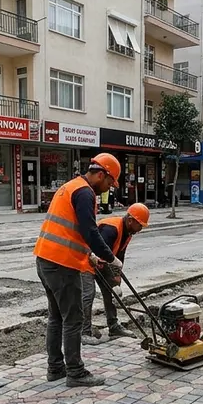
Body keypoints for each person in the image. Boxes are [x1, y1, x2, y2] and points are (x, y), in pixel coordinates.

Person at [34, 153, 122, 387]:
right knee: (73, 319)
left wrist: (90, 255)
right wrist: (110, 257)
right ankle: (75, 372)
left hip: (45, 259)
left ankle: (55, 368)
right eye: (109, 183)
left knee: (56, 317)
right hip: (61, 264)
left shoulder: (70, 186)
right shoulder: (85, 192)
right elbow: (90, 231)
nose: (109, 189)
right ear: (101, 174)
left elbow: (70, 230)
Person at [82, 203, 150, 343]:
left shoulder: (128, 232)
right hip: (87, 260)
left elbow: (119, 254)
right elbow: (100, 249)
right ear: (130, 220)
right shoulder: (111, 228)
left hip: (102, 261)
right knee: (88, 294)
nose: (141, 228)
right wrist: (109, 270)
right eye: (140, 225)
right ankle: (84, 332)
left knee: (113, 292)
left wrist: (116, 276)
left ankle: (113, 326)